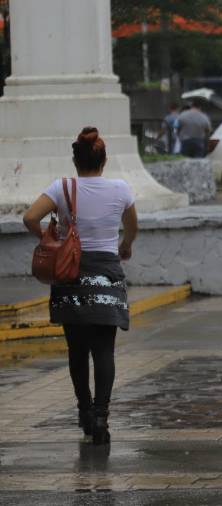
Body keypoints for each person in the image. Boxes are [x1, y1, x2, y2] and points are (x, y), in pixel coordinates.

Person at [22, 127, 138, 445]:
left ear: (75, 161)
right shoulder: (120, 189)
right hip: (106, 275)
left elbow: (30, 218)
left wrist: (51, 240)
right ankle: (101, 417)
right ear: (104, 161)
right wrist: (125, 246)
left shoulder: (62, 188)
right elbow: (132, 228)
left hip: (70, 274)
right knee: (104, 350)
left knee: (77, 349)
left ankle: (85, 412)